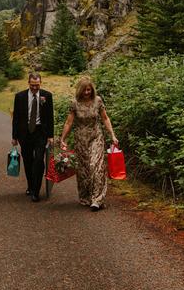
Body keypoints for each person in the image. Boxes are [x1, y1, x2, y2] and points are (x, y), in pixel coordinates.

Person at [59, 76, 118, 211]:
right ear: (80, 90)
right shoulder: (74, 103)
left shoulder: (98, 101)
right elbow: (69, 122)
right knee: (84, 170)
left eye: (89, 90)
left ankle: (97, 199)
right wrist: (63, 139)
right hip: (81, 139)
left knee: (95, 167)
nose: (87, 93)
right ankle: (86, 196)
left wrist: (112, 135)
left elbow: (105, 118)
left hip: (96, 136)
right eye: (85, 90)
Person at [11, 72, 54, 202]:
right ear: (28, 83)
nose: (35, 88)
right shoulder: (20, 96)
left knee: (39, 161)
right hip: (25, 133)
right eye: (32, 85)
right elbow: (16, 118)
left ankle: (36, 191)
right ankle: (30, 185)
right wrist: (14, 136)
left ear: (40, 83)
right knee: (28, 161)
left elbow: (50, 117)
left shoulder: (47, 96)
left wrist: (51, 136)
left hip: (40, 132)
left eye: (37, 85)